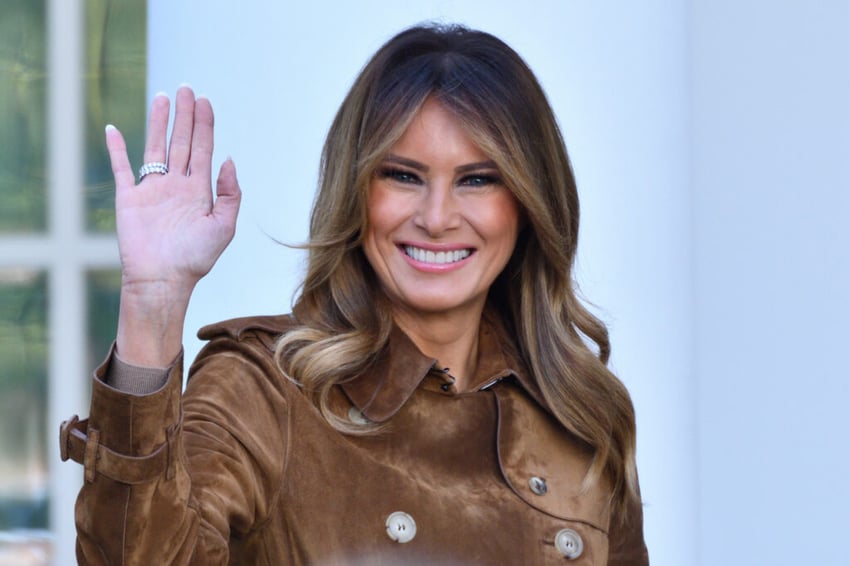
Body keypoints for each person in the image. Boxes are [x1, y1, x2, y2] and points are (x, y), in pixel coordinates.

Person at [60, 23, 648, 564]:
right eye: (402, 176)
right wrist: (152, 303)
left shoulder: (580, 413)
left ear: (527, 201)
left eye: (478, 179)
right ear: (355, 191)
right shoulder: (268, 386)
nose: (437, 217)